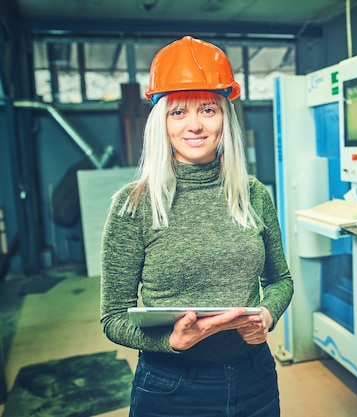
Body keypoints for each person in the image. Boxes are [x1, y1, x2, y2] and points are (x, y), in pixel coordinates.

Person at [99, 35, 293, 417]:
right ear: (161, 122)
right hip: (171, 386)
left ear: (224, 117)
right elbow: (113, 317)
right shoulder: (133, 204)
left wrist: (266, 316)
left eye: (207, 109)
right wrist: (172, 340)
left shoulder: (253, 194)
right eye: (178, 112)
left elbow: (280, 280)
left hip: (254, 374)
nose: (195, 126)